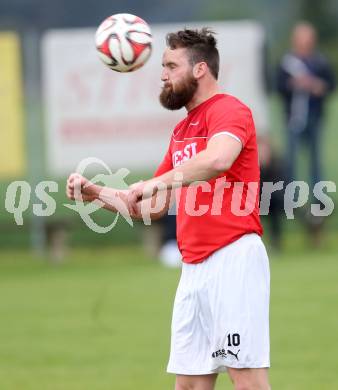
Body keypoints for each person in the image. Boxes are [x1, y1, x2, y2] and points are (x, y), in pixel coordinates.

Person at [67, 28, 270, 390]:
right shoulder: (181, 131)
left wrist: (158, 182)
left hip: (233, 260)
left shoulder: (229, 110)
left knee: (248, 380)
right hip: (193, 269)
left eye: (170, 65)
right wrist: (96, 193)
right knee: (189, 385)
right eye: (162, 66)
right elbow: (152, 206)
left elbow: (219, 158)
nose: (162, 74)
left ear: (200, 69)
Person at [276, 22, 335, 192]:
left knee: (315, 162)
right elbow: (279, 87)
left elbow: (330, 85)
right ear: (294, 40)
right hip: (293, 117)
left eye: (307, 38)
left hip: (315, 116)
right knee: (291, 162)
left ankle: (319, 200)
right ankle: (291, 200)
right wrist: (293, 84)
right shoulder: (286, 62)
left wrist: (317, 86)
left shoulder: (320, 62)